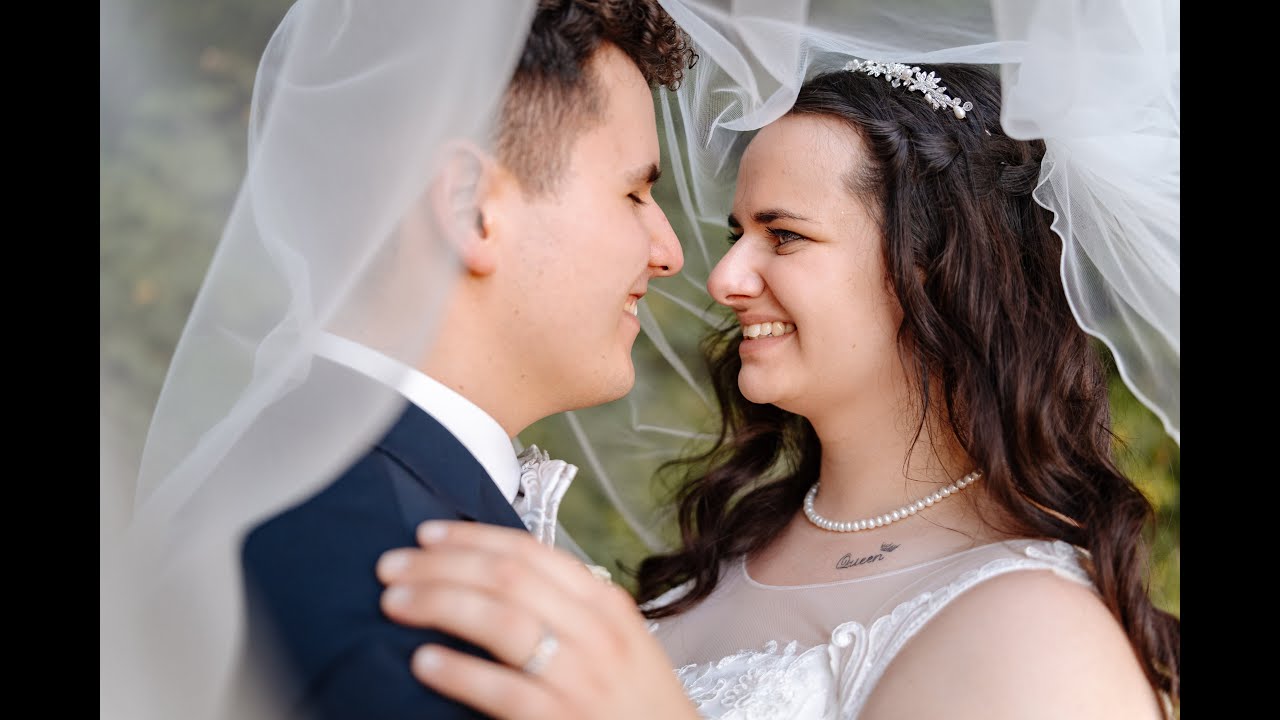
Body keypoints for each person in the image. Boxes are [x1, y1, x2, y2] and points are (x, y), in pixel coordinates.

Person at [374, 59, 1179, 718]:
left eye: (783, 235)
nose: (723, 278)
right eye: (735, 235)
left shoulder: (1039, 630)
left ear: (932, 269)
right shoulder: (724, 557)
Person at [100, 1, 695, 719]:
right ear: (472, 205)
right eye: (634, 191)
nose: (669, 252)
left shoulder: (290, 471)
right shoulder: (407, 594)